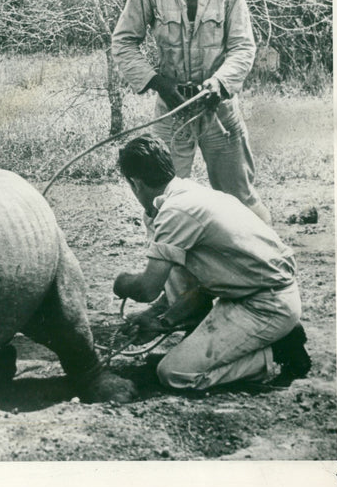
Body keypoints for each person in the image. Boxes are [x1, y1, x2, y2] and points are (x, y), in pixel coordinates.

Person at [111, 0, 272, 226]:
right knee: (159, 203)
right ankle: (169, 275)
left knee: (240, 199)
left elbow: (243, 47)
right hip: (171, 113)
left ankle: (263, 266)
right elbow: (123, 42)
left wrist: (219, 84)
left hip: (220, 112)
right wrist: (160, 84)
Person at [112, 135, 310, 390]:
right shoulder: (188, 192)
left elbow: (147, 289)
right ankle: (201, 342)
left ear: (136, 184)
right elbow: (197, 286)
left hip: (267, 305)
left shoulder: (175, 212)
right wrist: (161, 321)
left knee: (174, 373)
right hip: (250, 293)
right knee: (174, 262)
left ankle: (277, 355)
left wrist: (121, 284)